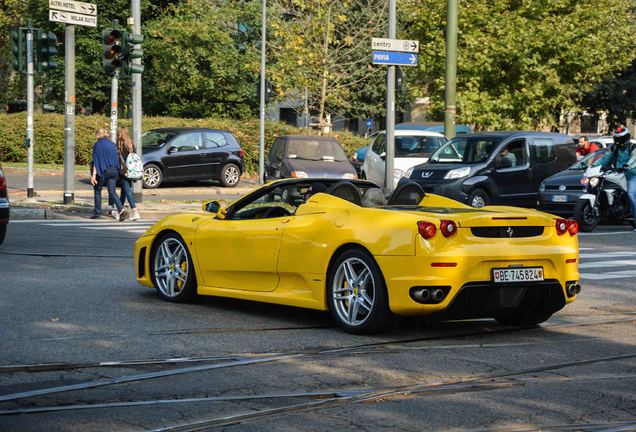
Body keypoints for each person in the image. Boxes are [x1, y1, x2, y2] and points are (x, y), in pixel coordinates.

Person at [595, 126, 636, 230]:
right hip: (618, 174)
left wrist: (626, 166)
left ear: (626, 138)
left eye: (620, 139)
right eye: (617, 139)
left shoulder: (633, 147)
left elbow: (633, 159)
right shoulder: (614, 148)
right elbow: (604, 159)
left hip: (632, 175)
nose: (618, 141)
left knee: (631, 194)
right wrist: (593, 166)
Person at [90, 128, 127, 220]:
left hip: (103, 170)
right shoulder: (112, 144)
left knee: (98, 190)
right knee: (112, 191)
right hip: (114, 170)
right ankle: (121, 209)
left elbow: (96, 160)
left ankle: (97, 213)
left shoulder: (97, 145)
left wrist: (94, 175)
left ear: (98, 135)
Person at [116, 126, 141, 221]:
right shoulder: (131, 144)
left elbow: (119, 157)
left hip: (124, 170)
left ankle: (135, 211)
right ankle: (120, 210)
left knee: (127, 190)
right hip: (131, 169)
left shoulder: (120, 144)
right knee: (124, 191)